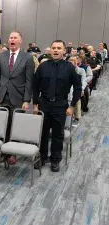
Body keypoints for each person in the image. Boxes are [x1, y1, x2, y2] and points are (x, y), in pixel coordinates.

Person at [33, 40, 82, 172]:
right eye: (53, 48)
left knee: (57, 134)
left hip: (60, 105)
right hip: (44, 104)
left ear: (64, 51)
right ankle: (42, 157)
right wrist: (36, 104)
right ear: (50, 50)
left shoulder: (69, 68)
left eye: (59, 48)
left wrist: (72, 106)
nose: (55, 50)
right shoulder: (43, 66)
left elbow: (78, 87)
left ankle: (55, 159)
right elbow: (35, 86)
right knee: (42, 133)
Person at [0, 30, 34, 165]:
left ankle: (12, 153)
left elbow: (29, 81)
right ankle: (2, 151)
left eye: (15, 38)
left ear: (20, 40)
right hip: (2, 96)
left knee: (15, 126)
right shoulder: (1, 56)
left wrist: (27, 100)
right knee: (2, 124)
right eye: (10, 37)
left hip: (19, 97)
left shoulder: (27, 57)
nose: (12, 40)